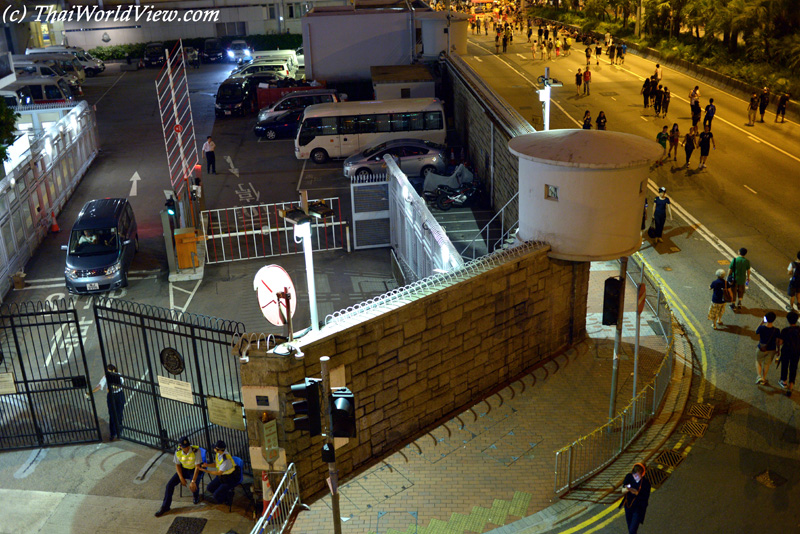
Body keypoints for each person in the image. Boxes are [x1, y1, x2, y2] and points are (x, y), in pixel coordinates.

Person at [155, 437, 206, 517]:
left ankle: (196, 496)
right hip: (184, 469)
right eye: (184, 447)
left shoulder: (196, 451)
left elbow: (197, 467)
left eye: (187, 446)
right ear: (180, 446)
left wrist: (192, 481)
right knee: (169, 485)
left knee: (194, 484)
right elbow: (177, 465)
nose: (186, 448)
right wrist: (181, 477)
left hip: (194, 470)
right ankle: (165, 507)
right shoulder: (178, 451)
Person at [89, 364, 125, 441]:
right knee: (112, 415)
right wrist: (91, 392)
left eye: (110, 372)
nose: (109, 373)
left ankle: (119, 431)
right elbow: (99, 386)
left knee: (119, 414)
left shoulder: (119, 377)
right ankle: (112, 433)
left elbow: (119, 385)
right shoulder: (106, 377)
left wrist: (110, 387)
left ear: (114, 370)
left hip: (119, 395)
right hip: (111, 397)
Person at [201, 440, 240, 505]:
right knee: (209, 488)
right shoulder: (219, 454)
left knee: (216, 496)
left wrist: (206, 471)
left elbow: (219, 472)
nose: (213, 449)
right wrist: (207, 465)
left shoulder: (225, 460)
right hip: (222, 476)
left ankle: (227, 497)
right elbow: (216, 464)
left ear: (217, 449)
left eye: (214, 448)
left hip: (229, 479)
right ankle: (224, 493)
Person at [620, 463, 651, 534]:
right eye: (633, 474)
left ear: (642, 474)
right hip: (628, 506)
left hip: (638, 509)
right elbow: (622, 491)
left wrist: (635, 492)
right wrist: (627, 489)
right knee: (630, 528)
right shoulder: (629, 477)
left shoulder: (646, 483)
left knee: (632, 531)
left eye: (637, 475)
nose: (634, 477)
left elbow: (644, 498)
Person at [778, 311, 800, 397]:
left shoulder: (785, 330)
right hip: (796, 352)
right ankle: (791, 385)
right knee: (793, 367)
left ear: (788, 320)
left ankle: (784, 381)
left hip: (786, 351)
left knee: (785, 365)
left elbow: (780, 343)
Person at [754, 312, 779, 386]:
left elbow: (756, 332)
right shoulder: (776, 330)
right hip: (772, 349)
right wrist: (778, 350)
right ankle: (764, 378)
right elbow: (777, 341)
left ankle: (759, 376)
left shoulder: (762, 328)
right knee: (767, 364)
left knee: (758, 361)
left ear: (766, 319)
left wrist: (761, 322)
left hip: (761, 348)